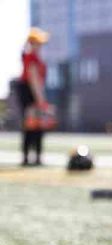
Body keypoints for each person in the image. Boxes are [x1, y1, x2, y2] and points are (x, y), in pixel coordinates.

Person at [18, 28, 50, 166]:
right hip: (30, 93)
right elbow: (34, 80)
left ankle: (35, 156)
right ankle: (29, 157)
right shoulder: (31, 58)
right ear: (33, 43)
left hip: (34, 92)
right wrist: (40, 100)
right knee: (32, 125)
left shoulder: (34, 57)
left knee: (35, 126)